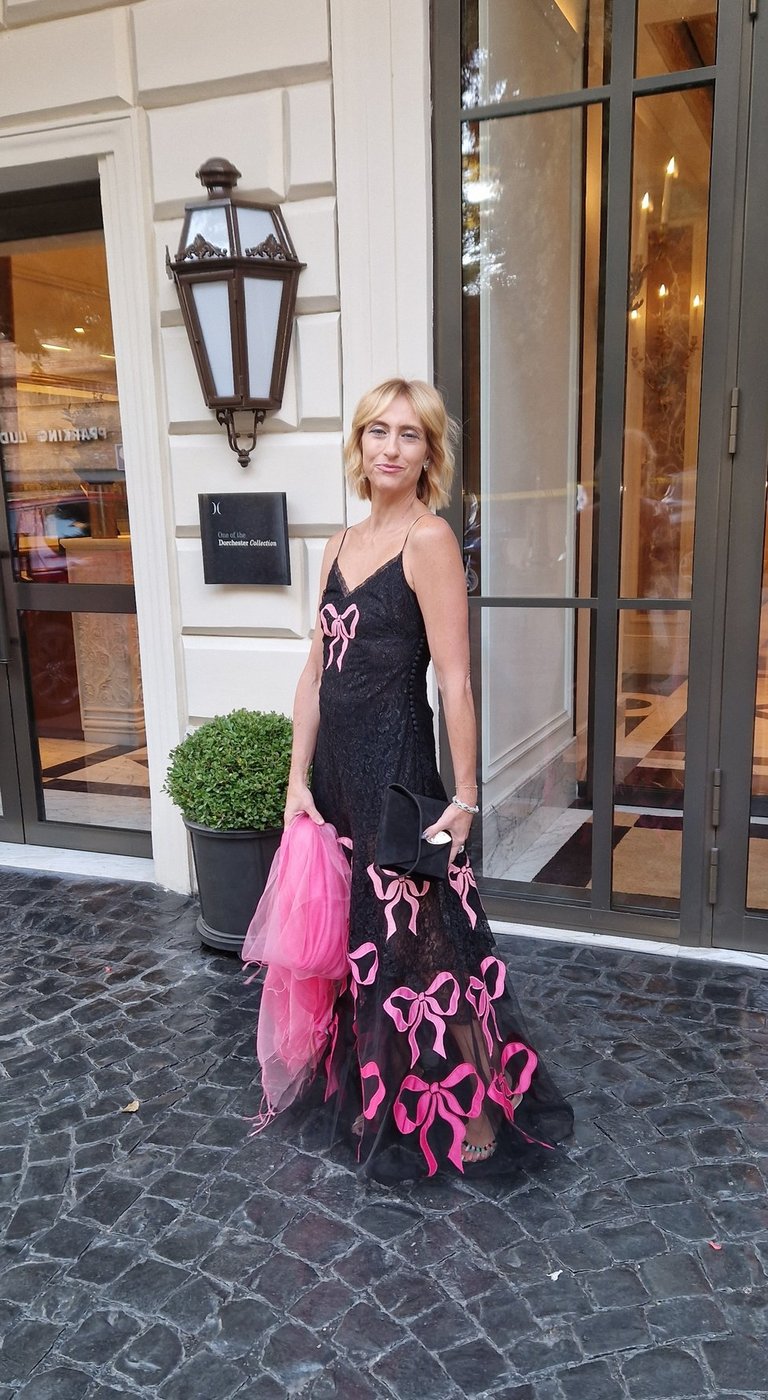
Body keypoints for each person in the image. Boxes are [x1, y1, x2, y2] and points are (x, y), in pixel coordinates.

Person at [284, 378, 573, 1180]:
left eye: (409, 435)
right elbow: (315, 673)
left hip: (399, 781)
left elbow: (455, 682)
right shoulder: (339, 544)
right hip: (340, 782)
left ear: (429, 454)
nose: (390, 446)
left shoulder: (429, 540)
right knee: (369, 952)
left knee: (435, 948)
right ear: (358, 442)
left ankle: (478, 1105)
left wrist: (468, 797)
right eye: (377, 430)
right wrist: (296, 779)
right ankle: (387, 1090)